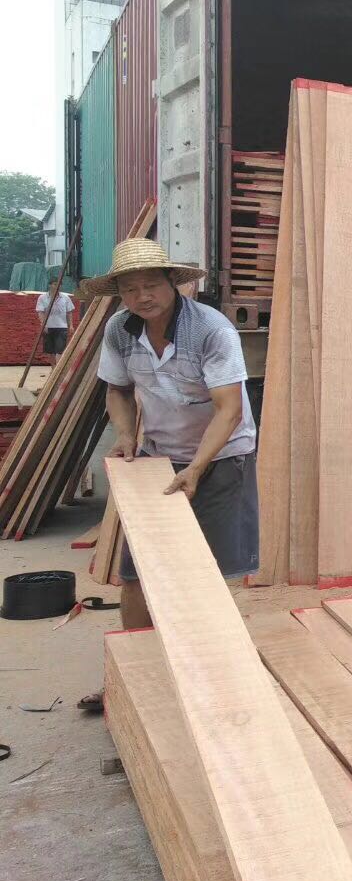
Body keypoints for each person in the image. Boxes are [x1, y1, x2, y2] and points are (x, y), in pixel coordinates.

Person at [76, 240, 258, 710]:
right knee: (137, 572)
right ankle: (134, 678)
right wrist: (125, 435)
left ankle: (216, 680)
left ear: (172, 282)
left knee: (212, 574)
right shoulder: (119, 330)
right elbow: (117, 390)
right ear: (120, 294)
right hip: (157, 459)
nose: (142, 296)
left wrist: (196, 468)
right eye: (130, 289)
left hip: (221, 458)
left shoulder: (211, 330)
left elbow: (230, 410)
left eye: (151, 284)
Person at [35, 278, 75, 356]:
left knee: (60, 350)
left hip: (62, 327)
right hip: (48, 327)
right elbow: (40, 312)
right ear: (50, 285)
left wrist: (71, 325)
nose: (57, 286)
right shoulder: (42, 298)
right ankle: (53, 364)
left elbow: (69, 312)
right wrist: (44, 324)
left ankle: (58, 364)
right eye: (55, 284)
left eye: (59, 284)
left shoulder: (65, 298)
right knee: (50, 351)